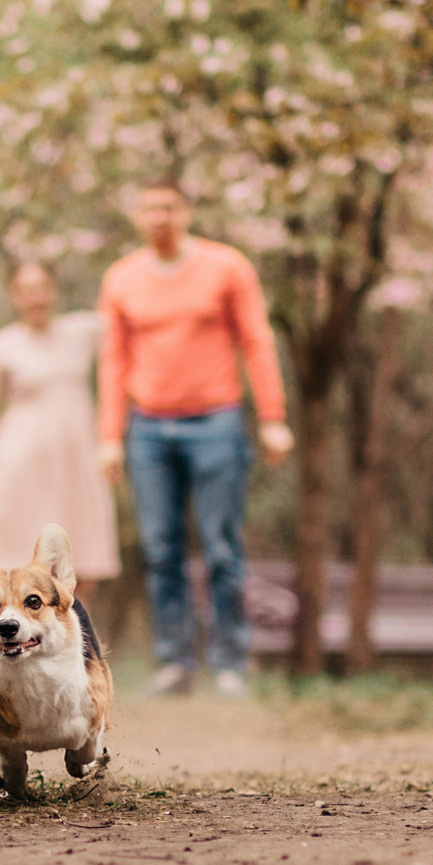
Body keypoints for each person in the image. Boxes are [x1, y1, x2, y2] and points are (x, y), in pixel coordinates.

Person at [96, 180, 291, 697]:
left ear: (186, 212)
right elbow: (113, 360)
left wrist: (272, 416)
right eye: (149, 208)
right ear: (137, 216)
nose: (159, 216)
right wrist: (110, 435)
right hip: (148, 428)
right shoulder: (121, 278)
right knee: (161, 550)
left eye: (169, 207)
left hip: (216, 422)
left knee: (222, 548)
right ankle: (174, 663)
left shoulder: (227, 267)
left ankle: (229, 663)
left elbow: (256, 341)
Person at [0, 261, 122, 588]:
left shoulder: (83, 331)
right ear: (13, 296)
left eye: (42, 288)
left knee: (81, 562)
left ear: (53, 290)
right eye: (26, 290)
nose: (36, 297)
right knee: (19, 567)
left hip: (76, 466)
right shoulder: (0, 346)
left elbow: (132, 325)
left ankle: (76, 624)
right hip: (21, 470)